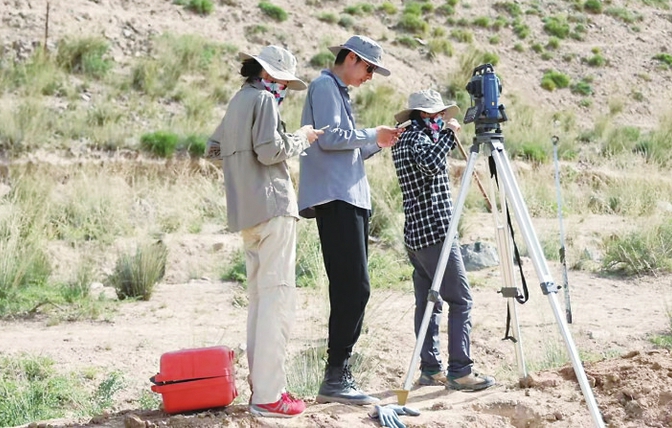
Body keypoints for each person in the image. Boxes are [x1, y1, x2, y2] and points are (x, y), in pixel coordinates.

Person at [206, 45, 323, 418]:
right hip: (273, 207)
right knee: (277, 300)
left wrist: (241, 167)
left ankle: (264, 390)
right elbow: (270, 151)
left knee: (259, 302)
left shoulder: (237, 102)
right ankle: (270, 396)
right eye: (283, 82)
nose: (284, 88)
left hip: (246, 212)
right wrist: (301, 138)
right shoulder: (265, 101)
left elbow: (213, 149)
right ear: (270, 75)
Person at [298, 35, 402, 405]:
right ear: (352, 58)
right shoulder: (325, 86)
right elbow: (330, 139)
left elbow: (345, 147)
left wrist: (378, 141)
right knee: (353, 288)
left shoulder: (337, 91)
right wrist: (373, 134)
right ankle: (336, 376)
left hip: (348, 197)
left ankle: (338, 374)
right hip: (337, 198)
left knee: (353, 287)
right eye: (369, 68)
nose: (369, 76)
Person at [390, 89, 496, 392]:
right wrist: (449, 135)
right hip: (436, 233)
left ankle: (431, 369)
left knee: (428, 304)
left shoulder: (405, 139)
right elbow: (431, 164)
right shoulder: (418, 139)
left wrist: (442, 136)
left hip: (417, 235)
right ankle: (460, 371)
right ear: (425, 115)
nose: (443, 119)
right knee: (460, 300)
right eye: (439, 115)